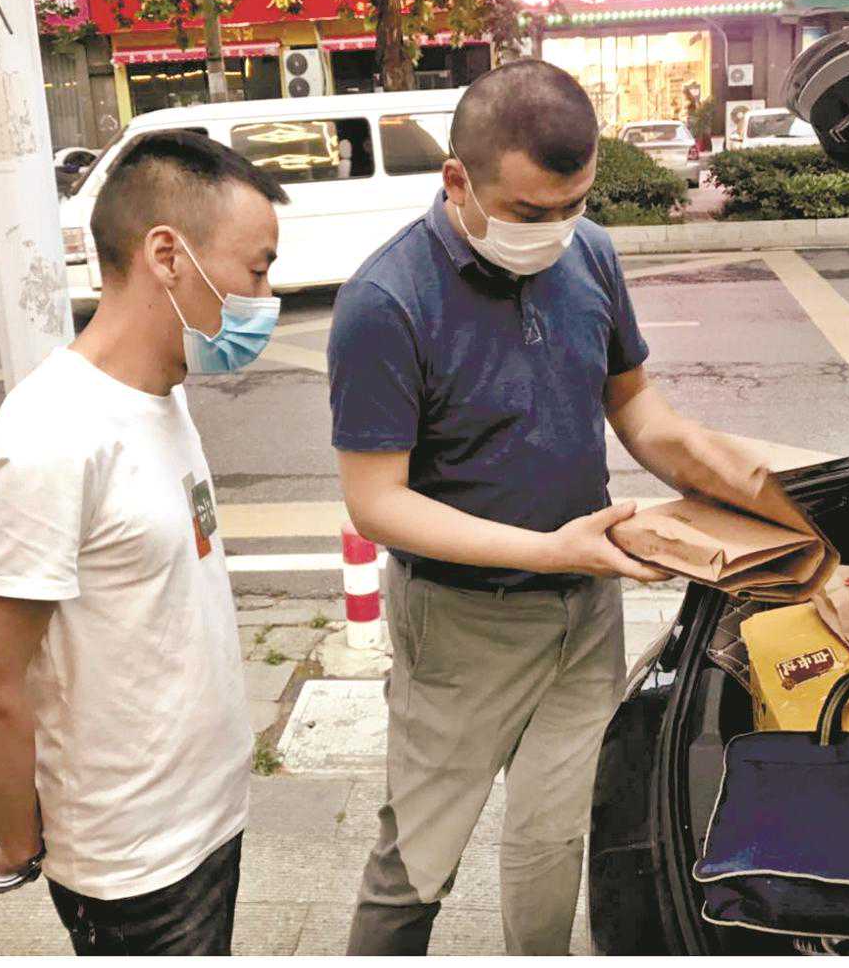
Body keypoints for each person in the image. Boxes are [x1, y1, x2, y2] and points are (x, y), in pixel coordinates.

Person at [328, 59, 795, 955]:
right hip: (458, 622)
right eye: (529, 212)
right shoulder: (385, 301)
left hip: (587, 612)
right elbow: (376, 502)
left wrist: (745, 483)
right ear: (456, 181)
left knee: (554, 838)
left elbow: (637, 408)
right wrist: (552, 549)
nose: (554, 231)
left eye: (573, 204)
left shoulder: (591, 255)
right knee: (417, 857)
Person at [0, 130, 288, 955]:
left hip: (206, 820)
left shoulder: (161, 397)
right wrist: (20, 844)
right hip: (134, 866)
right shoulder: (50, 436)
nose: (265, 298)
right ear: (167, 255)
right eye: (256, 269)